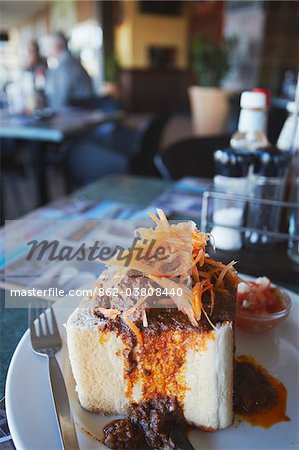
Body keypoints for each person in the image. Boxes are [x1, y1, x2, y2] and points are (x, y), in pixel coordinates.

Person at [45, 31, 94, 109]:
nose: (49, 50)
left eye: (50, 46)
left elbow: (62, 99)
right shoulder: (72, 61)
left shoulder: (65, 65)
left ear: (57, 46)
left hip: (78, 112)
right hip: (84, 109)